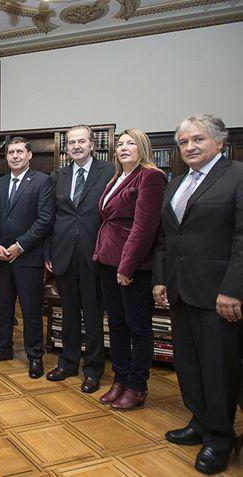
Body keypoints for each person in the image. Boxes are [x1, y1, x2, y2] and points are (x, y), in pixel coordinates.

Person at [153, 114, 243, 475]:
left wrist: (233, 290)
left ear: (219, 143)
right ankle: (200, 421)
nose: (189, 147)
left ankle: (221, 438)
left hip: (218, 295)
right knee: (188, 364)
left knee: (219, 368)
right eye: (184, 142)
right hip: (179, 290)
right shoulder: (175, 184)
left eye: (198, 140)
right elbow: (166, 238)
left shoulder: (237, 177)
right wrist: (160, 280)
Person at [93, 128, 166, 410]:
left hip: (133, 267)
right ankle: (120, 379)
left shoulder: (150, 176)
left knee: (139, 328)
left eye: (131, 143)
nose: (124, 148)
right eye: (120, 144)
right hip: (107, 262)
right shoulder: (117, 177)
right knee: (117, 325)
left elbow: (145, 227)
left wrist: (127, 267)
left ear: (142, 148)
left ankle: (137, 386)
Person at [44, 125, 114, 390]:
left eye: (81, 141)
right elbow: (50, 216)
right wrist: (48, 252)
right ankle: (68, 362)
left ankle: (93, 369)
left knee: (94, 314)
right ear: (66, 148)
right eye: (71, 142)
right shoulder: (58, 175)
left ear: (92, 144)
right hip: (63, 254)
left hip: (94, 253)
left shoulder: (108, 172)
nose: (76, 146)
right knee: (69, 311)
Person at [0, 137, 54, 377]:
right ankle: (3, 348)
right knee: (3, 308)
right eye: (11, 152)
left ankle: (35, 356)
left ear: (29, 155)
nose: (14, 156)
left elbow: (45, 220)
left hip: (28, 258)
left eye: (19, 152)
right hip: (2, 258)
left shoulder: (43, 182)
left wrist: (20, 246)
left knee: (31, 310)